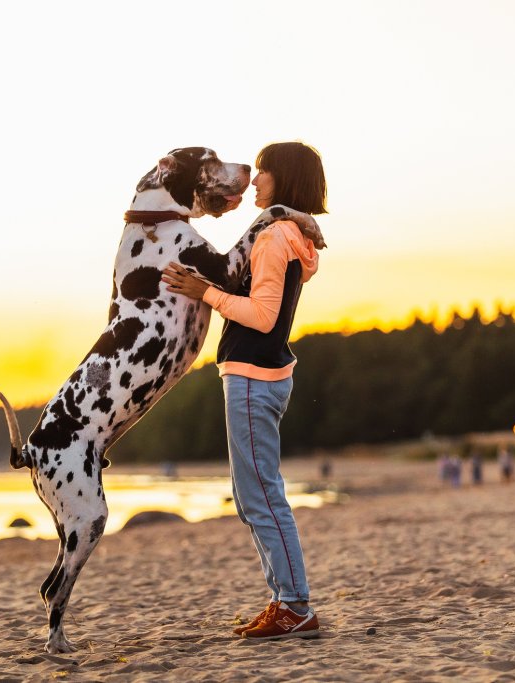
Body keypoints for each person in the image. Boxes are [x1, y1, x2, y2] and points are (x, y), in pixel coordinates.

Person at [161, 141, 326, 641]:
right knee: (251, 494)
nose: (254, 181)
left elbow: (263, 316)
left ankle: (294, 606)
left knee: (261, 496)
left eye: (262, 172)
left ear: (285, 178)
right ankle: (283, 600)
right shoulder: (286, 234)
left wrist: (202, 292)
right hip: (256, 375)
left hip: (255, 376)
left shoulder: (276, 237)